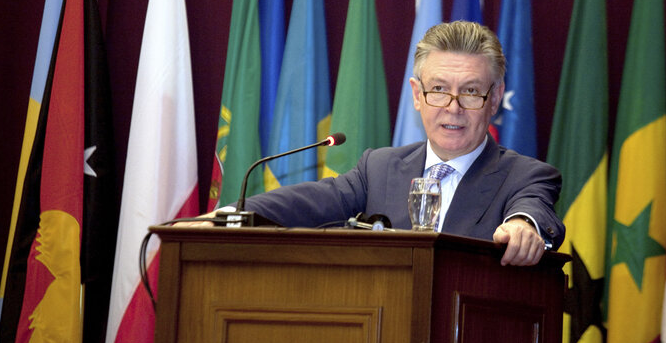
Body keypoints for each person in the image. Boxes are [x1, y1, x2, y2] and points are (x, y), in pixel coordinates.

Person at [206, 21, 564, 266]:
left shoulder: (525, 176)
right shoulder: (379, 167)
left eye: (471, 92)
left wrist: (523, 227)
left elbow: (532, 210)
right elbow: (309, 203)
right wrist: (226, 218)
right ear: (417, 94)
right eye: (439, 89)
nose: (452, 108)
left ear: (495, 97)